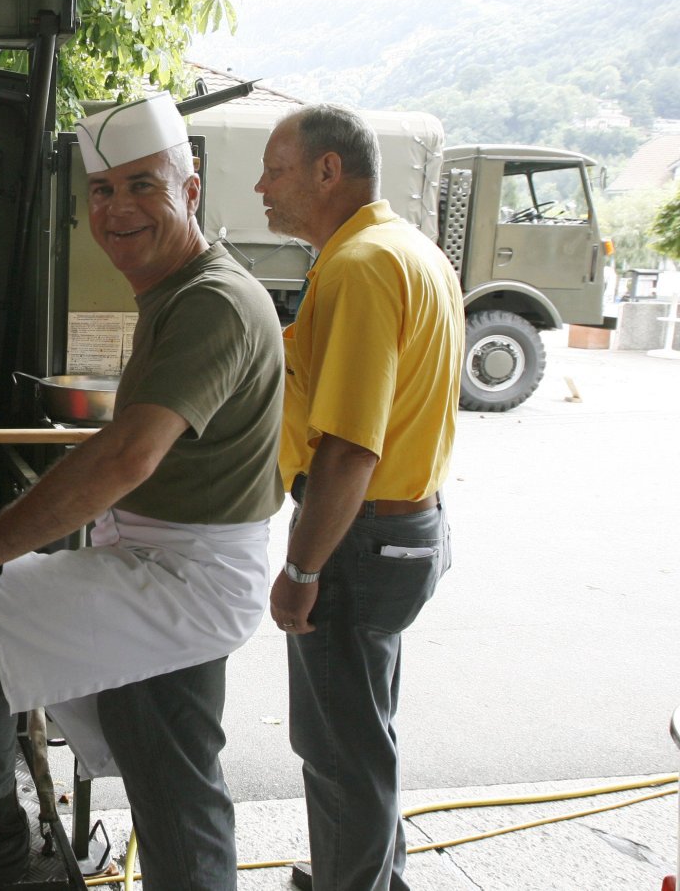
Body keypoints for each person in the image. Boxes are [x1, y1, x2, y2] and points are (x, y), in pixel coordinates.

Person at [0, 92, 285, 891]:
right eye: (102, 190)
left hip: (187, 578)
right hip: (160, 560)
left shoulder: (212, 302)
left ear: (190, 190)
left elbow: (127, 456)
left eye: (143, 186)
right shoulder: (178, 292)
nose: (117, 209)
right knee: (170, 772)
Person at [255, 104, 463, 891]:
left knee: (340, 751)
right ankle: (369, 877)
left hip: (358, 540)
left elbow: (348, 448)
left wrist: (301, 570)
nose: (262, 187)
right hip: (408, 528)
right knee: (362, 735)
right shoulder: (411, 251)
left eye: (276, 170)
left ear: (327, 171)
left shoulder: (360, 266)